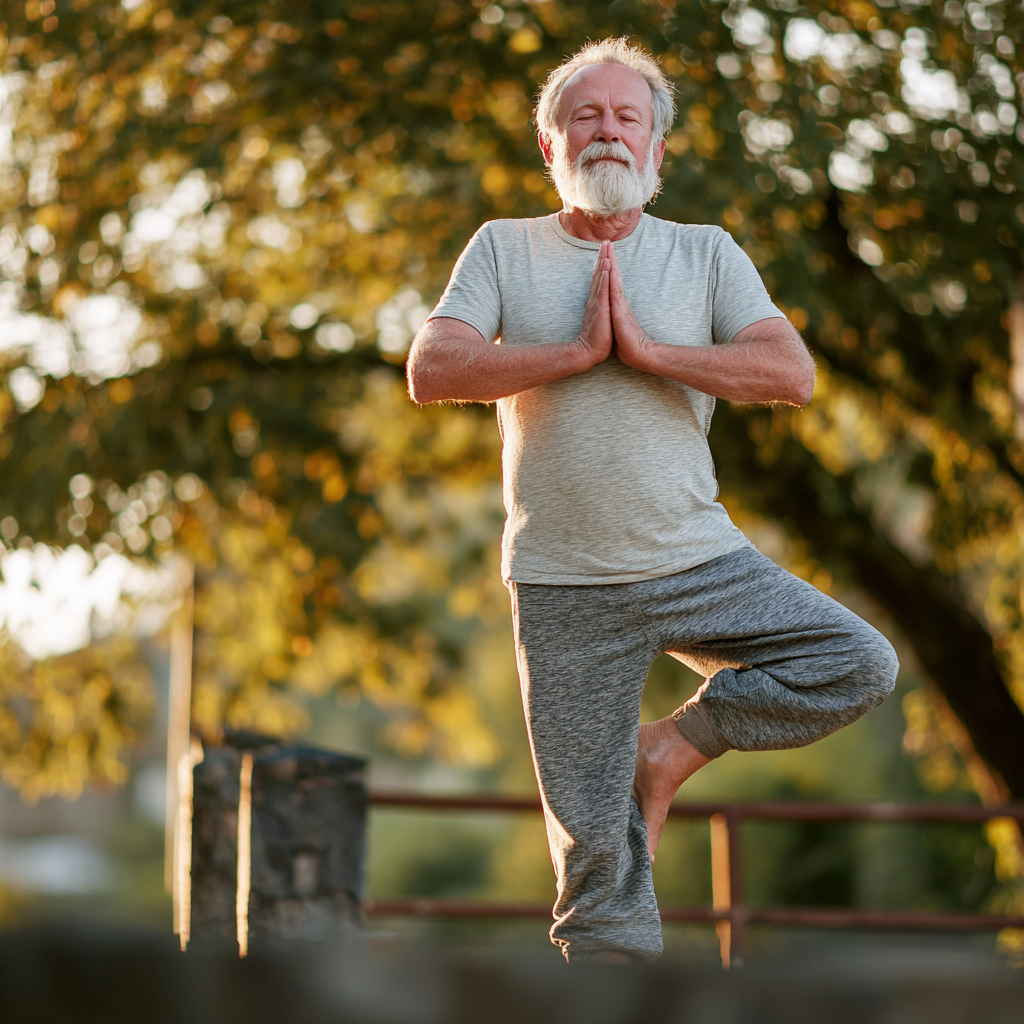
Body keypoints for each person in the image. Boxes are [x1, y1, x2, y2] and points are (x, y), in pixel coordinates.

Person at [405, 38, 898, 963]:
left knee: (856, 662)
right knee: (596, 865)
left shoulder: (704, 254)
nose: (607, 131)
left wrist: (652, 353)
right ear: (549, 148)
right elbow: (432, 370)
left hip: (695, 562)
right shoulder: (504, 248)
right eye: (584, 117)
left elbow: (791, 374)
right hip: (563, 587)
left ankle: (668, 750)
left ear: (658, 152)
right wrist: (574, 354)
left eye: (628, 116)